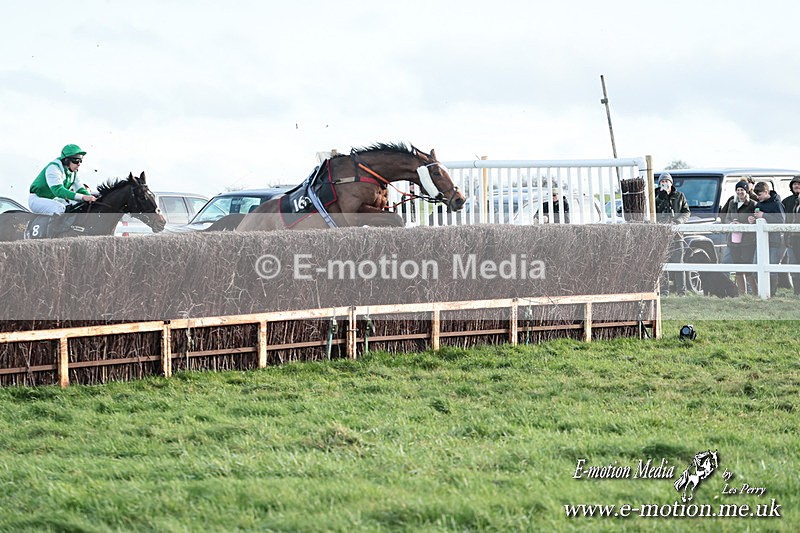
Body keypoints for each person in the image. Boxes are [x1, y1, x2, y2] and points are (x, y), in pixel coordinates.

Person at [29, 144, 97, 215]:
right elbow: (58, 190)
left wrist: (90, 197)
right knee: (59, 208)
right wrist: (83, 197)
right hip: (37, 200)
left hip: (54, 200)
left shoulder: (73, 172)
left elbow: (80, 189)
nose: (79, 164)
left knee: (76, 206)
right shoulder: (53, 168)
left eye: (80, 160)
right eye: (76, 160)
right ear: (66, 160)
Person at [655, 172, 691, 296]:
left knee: (678, 262)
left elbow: (686, 212)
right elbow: (654, 211)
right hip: (661, 234)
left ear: (671, 183)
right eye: (662, 182)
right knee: (663, 262)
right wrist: (661, 196)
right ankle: (664, 291)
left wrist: (678, 222)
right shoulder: (656, 195)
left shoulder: (679, 196)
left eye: (666, 181)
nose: (664, 183)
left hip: (677, 235)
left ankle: (681, 291)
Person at [748, 181, 785, 296]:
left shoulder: (777, 204)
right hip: (760, 242)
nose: (758, 197)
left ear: (766, 192)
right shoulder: (759, 205)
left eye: (759, 195)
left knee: (772, 271)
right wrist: (752, 221)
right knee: (756, 270)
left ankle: (771, 294)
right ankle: (763, 292)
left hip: (775, 241)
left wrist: (764, 216)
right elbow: (758, 221)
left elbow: (781, 221)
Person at [721, 180, 757, 295]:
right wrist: (731, 223)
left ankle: (755, 292)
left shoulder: (753, 204)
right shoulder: (732, 203)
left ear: (746, 191)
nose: (740, 192)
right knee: (737, 266)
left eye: (742, 190)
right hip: (734, 239)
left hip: (748, 240)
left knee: (747, 265)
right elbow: (726, 218)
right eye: (738, 190)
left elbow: (755, 219)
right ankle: (742, 293)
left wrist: (747, 223)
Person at [781, 176, 800, 295]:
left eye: (799, 184)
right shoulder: (787, 201)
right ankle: (797, 291)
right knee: (793, 264)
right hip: (791, 238)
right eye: (794, 184)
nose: (797, 186)